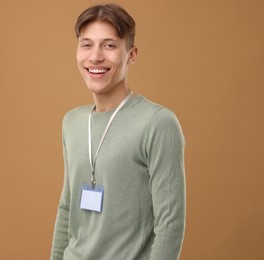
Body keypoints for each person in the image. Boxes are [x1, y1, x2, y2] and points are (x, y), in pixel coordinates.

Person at [50, 3, 186, 260]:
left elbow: (170, 221)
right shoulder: (72, 121)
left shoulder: (158, 123)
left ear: (131, 54)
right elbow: (67, 208)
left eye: (109, 45)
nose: (95, 56)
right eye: (86, 44)